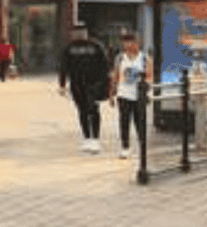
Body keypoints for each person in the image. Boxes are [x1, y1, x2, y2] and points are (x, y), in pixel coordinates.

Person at [58, 22, 113, 153]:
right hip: (77, 84)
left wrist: (107, 85)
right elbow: (63, 67)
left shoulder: (96, 46)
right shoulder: (69, 48)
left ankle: (95, 139)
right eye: (76, 32)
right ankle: (87, 138)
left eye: (81, 31)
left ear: (86, 33)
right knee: (82, 110)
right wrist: (62, 85)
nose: (78, 35)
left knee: (93, 109)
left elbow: (105, 66)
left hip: (95, 84)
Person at [112, 29, 150, 159]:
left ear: (137, 43)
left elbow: (150, 76)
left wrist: (146, 85)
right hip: (124, 94)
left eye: (131, 42)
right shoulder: (120, 57)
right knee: (124, 121)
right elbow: (115, 75)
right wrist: (112, 93)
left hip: (138, 94)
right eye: (125, 42)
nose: (127, 45)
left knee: (140, 122)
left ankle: (142, 146)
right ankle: (125, 147)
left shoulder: (144, 58)